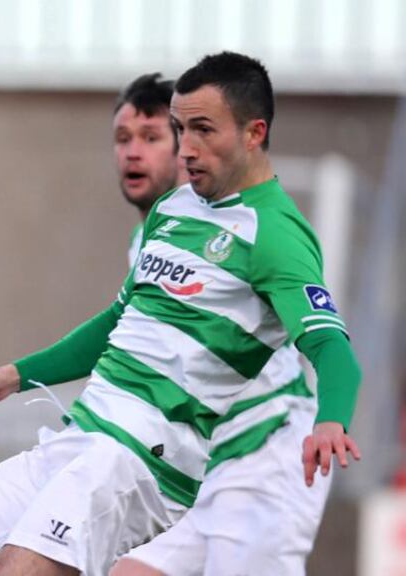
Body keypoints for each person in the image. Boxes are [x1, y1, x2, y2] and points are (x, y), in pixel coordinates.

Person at [0, 51, 360, 576]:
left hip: (156, 457)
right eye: (180, 129)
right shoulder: (172, 212)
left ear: (254, 132)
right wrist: (13, 376)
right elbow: (117, 322)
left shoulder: (276, 235)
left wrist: (331, 419)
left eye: (202, 129)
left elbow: (333, 348)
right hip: (85, 432)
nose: (189, 147)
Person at [110, 73, 334, 575]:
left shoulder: (249, 230)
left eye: (153, 137)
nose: (133, 153)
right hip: (200, 463)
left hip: (266, 449)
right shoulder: (151, 238)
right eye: (124, 139)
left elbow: (328, 342)